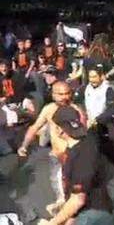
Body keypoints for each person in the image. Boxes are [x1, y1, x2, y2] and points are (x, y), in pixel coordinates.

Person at [17, 81, 86, 214]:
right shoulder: (48, 109)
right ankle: (63, 206)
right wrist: (24, 146)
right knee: (59, 185)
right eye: (60, 94)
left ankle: (70, 211)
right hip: (57, 155)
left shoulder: (76, 110)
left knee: (77, 189)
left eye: (67, 93)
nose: (64, 97)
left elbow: (84, 133)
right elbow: (34, 127)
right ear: (53, 95)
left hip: (74, 155)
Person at [38, 106, 113, 225]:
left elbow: (78, 200)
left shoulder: (81, 157)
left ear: (59, 130)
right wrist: (63, 206)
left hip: (93, 212)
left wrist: (52, 223)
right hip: (87, 206)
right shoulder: (84, 140)